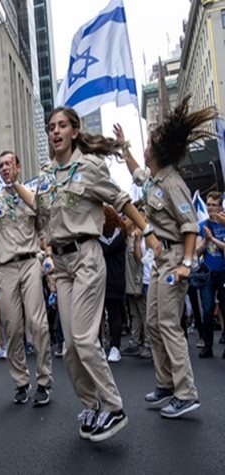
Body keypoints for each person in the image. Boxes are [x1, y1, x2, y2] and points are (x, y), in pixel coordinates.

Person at [13, 107, 160, 441]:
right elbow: (39, 205)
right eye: (51, 127)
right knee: (68, 348)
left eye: (62, 126)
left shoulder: (90, 167)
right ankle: (91, 404)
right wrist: (14, 184)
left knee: (83, 338)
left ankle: (114, 406)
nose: (55, 131)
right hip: (61, 265)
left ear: (75, 132)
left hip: (87, 258)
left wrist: (148, 232)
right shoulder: (48, 173)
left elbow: (121, 201)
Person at [115, 96, 216, 417]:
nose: (144, 149)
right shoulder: (155, 180)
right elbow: (136, 175)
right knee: (154, 322)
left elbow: (191, 227)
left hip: (174, 260)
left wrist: (187, 264)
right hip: (160, 262)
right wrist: (123, 147)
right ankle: (166, 385)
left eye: (148, 145)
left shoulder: (173, 183)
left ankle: (186, 393)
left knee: (170, 324)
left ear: (157, 152)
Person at [0, 151, 52, 406]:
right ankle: (21, 382)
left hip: (29, 263)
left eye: (8, 164)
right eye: (1, 165)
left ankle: (45, 381)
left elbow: (43, 225)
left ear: (18, 166)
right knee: (12, 327)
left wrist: (48, 256)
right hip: (4, 268)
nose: (4, 168)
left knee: (37, 324)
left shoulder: (31, 195)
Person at [195, 191, 225, 358]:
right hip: (208, 274)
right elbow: (197, 251)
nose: (211, 208)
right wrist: (206, 240)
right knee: (207, 310)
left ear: (220, 206)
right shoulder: (202, 225)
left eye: (214, 205)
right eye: (209, 204)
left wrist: (213, 239)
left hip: (223, 272)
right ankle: (207, 346)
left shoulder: (224, 224)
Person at [121, 212, 152, 359]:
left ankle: (148, 344)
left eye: (126, 218)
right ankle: (134, 342)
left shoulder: (140, 238)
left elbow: (140, 265)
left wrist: (138, 285)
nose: (124, 221)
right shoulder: (129, 238)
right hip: (130, 284)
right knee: (135, 315)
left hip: (139, 283)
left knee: (145, 315)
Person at [99, 206, 127, 363]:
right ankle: (100, 346)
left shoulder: (118, 233)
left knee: (114, 314)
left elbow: (106, 247)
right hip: (100, 280)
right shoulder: (98, 235)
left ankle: (115, 347)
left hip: (115, 279)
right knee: (98, 315)